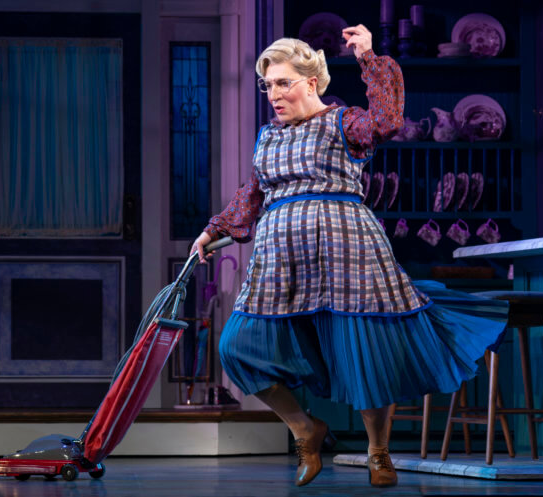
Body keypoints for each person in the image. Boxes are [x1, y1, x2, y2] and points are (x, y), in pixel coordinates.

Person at [191, 25, 508, 488]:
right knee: (237, 347)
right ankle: (306, 429)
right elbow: (252, 193)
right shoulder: (268, 137)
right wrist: (212, 230)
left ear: (311, 82)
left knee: (366, 351)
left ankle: (378, 451)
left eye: (283, 83)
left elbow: (387, 120)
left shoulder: (344, 122)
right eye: (267, 85)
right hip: (280, 261)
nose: (273, 95)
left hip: (347, 249)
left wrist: (368, 58)